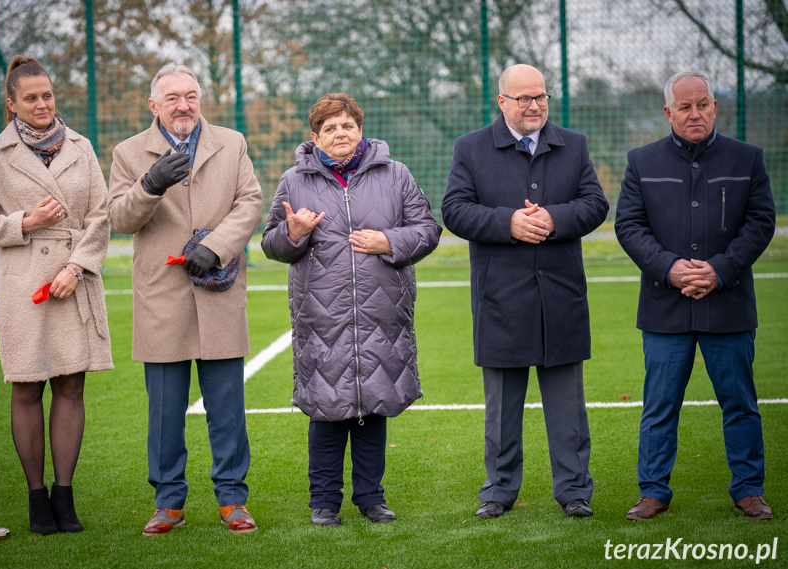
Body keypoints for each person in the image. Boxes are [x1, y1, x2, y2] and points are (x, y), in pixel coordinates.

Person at [262, 93, 441, 526]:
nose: (340, 134)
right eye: (330, 128)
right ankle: (323, 502)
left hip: (383, 312)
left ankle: (371, 499)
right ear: (315, 137)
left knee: (372, 407)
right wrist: (294, 232)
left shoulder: (395, 174)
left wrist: (390, 242)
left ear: (360, 129)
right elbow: (271, 244)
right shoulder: (294, 181)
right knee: (327, 410)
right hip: (322, 316)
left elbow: (428, 229)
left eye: (347, 126)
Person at [442, 64, 608, 519]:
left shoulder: (573, 145)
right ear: (502, 102)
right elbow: (454, 210)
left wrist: (554, 218)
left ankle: (574, 491)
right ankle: (498, 491)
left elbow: (596, 204)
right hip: (500, 300)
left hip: (561, 298)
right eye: (523, 99)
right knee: (501, 412)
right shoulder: (471, 148)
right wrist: (508, 222)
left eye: (540, 97)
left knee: (568, 408)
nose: (534, 105)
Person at [108, 63, 263, 535]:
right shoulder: (128, 153)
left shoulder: (231, 142)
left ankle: (233, 499)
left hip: (217, 289)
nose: (184, 105)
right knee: (165, 411)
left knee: (227, 408)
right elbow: (119, 217)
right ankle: (168, 502)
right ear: (154, 106)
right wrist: (150, 184)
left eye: (191, 95)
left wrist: (214, 247)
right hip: (162, 297)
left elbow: (250, 201)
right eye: (172, 97)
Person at [615, 71, 776, 521]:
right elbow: (628, 225)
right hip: (665, 308)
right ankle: (653, 491)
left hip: (729, 304)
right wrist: (669, 268)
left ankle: (748, 489)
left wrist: (720, 271)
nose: (695, 114)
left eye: (702, 104)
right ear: (668, 113)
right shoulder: (641, 161)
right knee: (660, 405)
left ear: (715, 107)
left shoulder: (747, 159)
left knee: (740, 403)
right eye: (684, 107)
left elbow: (761, 222)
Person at [0, 56, 113, 535]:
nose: (42, 104)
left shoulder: (82, 147)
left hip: (75, 281)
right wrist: (24, 223)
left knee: (71, 384)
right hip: (23, 285)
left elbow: (101, 216)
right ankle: (35, 497)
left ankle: (64, 497)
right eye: (31, 98)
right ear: (12, 105)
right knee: (27, 386)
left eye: (47, 95)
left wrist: (77, 266)